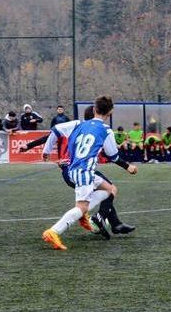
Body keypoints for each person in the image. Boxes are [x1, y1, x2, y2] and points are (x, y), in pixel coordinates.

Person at [41, 95, 139, 251]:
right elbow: (113, 156)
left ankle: (84, 216)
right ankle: (53, 231)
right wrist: (129, 167)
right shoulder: (106, 130)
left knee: (110, 189)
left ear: (94, 109)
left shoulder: (78, 124)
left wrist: (46, 151)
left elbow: (55, 130)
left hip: (72, 170)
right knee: (81, 207)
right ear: (110, 113)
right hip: (84, 172)